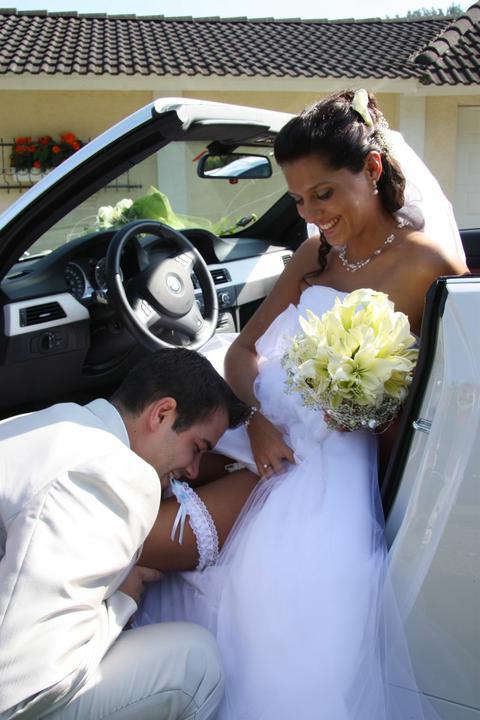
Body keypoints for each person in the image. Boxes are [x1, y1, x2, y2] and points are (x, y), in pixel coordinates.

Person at [135, 90, 468, 719]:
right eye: (298, 200)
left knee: (274, 584)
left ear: (372, 169)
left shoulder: (429, 266)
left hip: (329, 460)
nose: (312, 214)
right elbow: (242, 353)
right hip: (261, 425)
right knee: (139, 488)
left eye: (324, 193)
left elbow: (448, 396)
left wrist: (369, 410)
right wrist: (255, 419)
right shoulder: (315, 254)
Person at [0, 347, 248, 720]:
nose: (194, 470)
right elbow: (29, 691)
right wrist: (121, 601)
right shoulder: (114, 474)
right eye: (196, 448)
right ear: (162, 413)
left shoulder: (52, 422)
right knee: (195, 664)